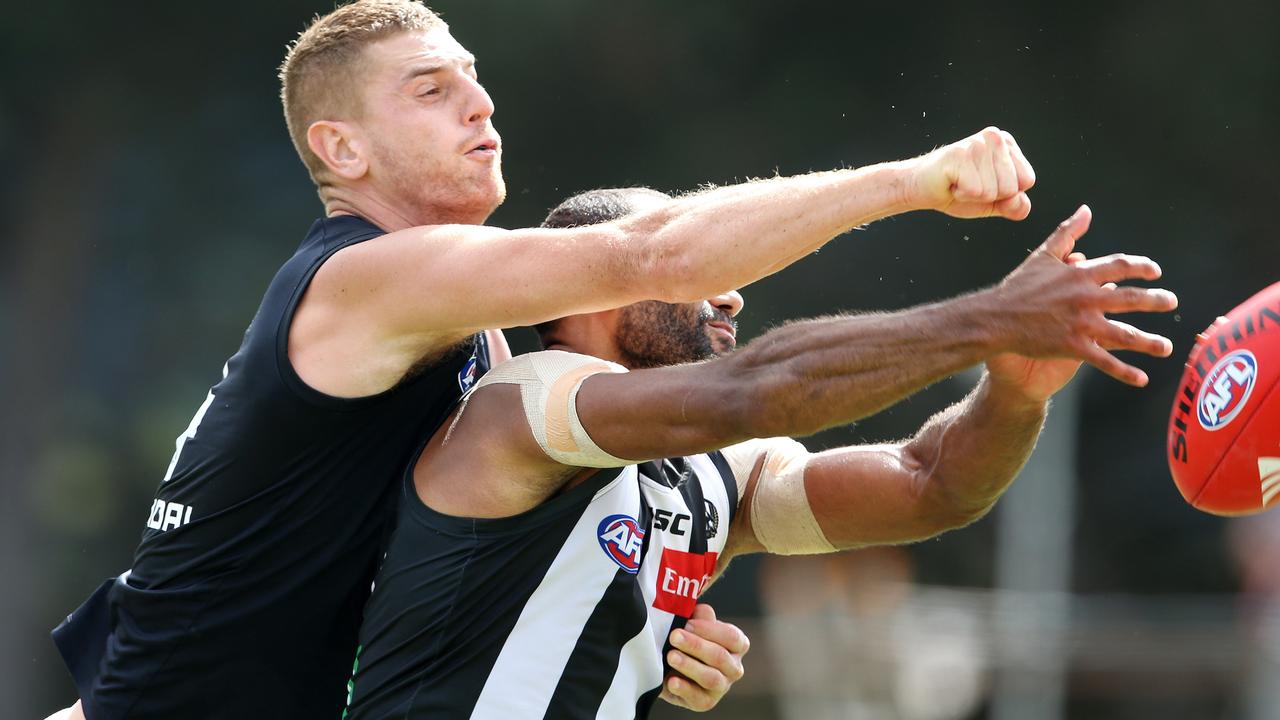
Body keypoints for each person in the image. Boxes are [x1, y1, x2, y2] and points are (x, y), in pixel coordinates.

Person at [48, 0, 1045, 716]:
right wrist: (916, 179)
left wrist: (638, 624)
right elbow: (650, 256)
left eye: (474, 84)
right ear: (340, 150)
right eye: (431, 91)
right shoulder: (369, 280)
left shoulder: (473, 341)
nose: (478, 107)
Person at [342, 187, 1178, 719]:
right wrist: (988, 317)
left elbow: (932, 487)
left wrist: (1013, 391)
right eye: (698, 261)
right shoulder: (519, 406)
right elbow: (753, 389)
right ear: (586, 291)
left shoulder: (713, 472)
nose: (734, 288)